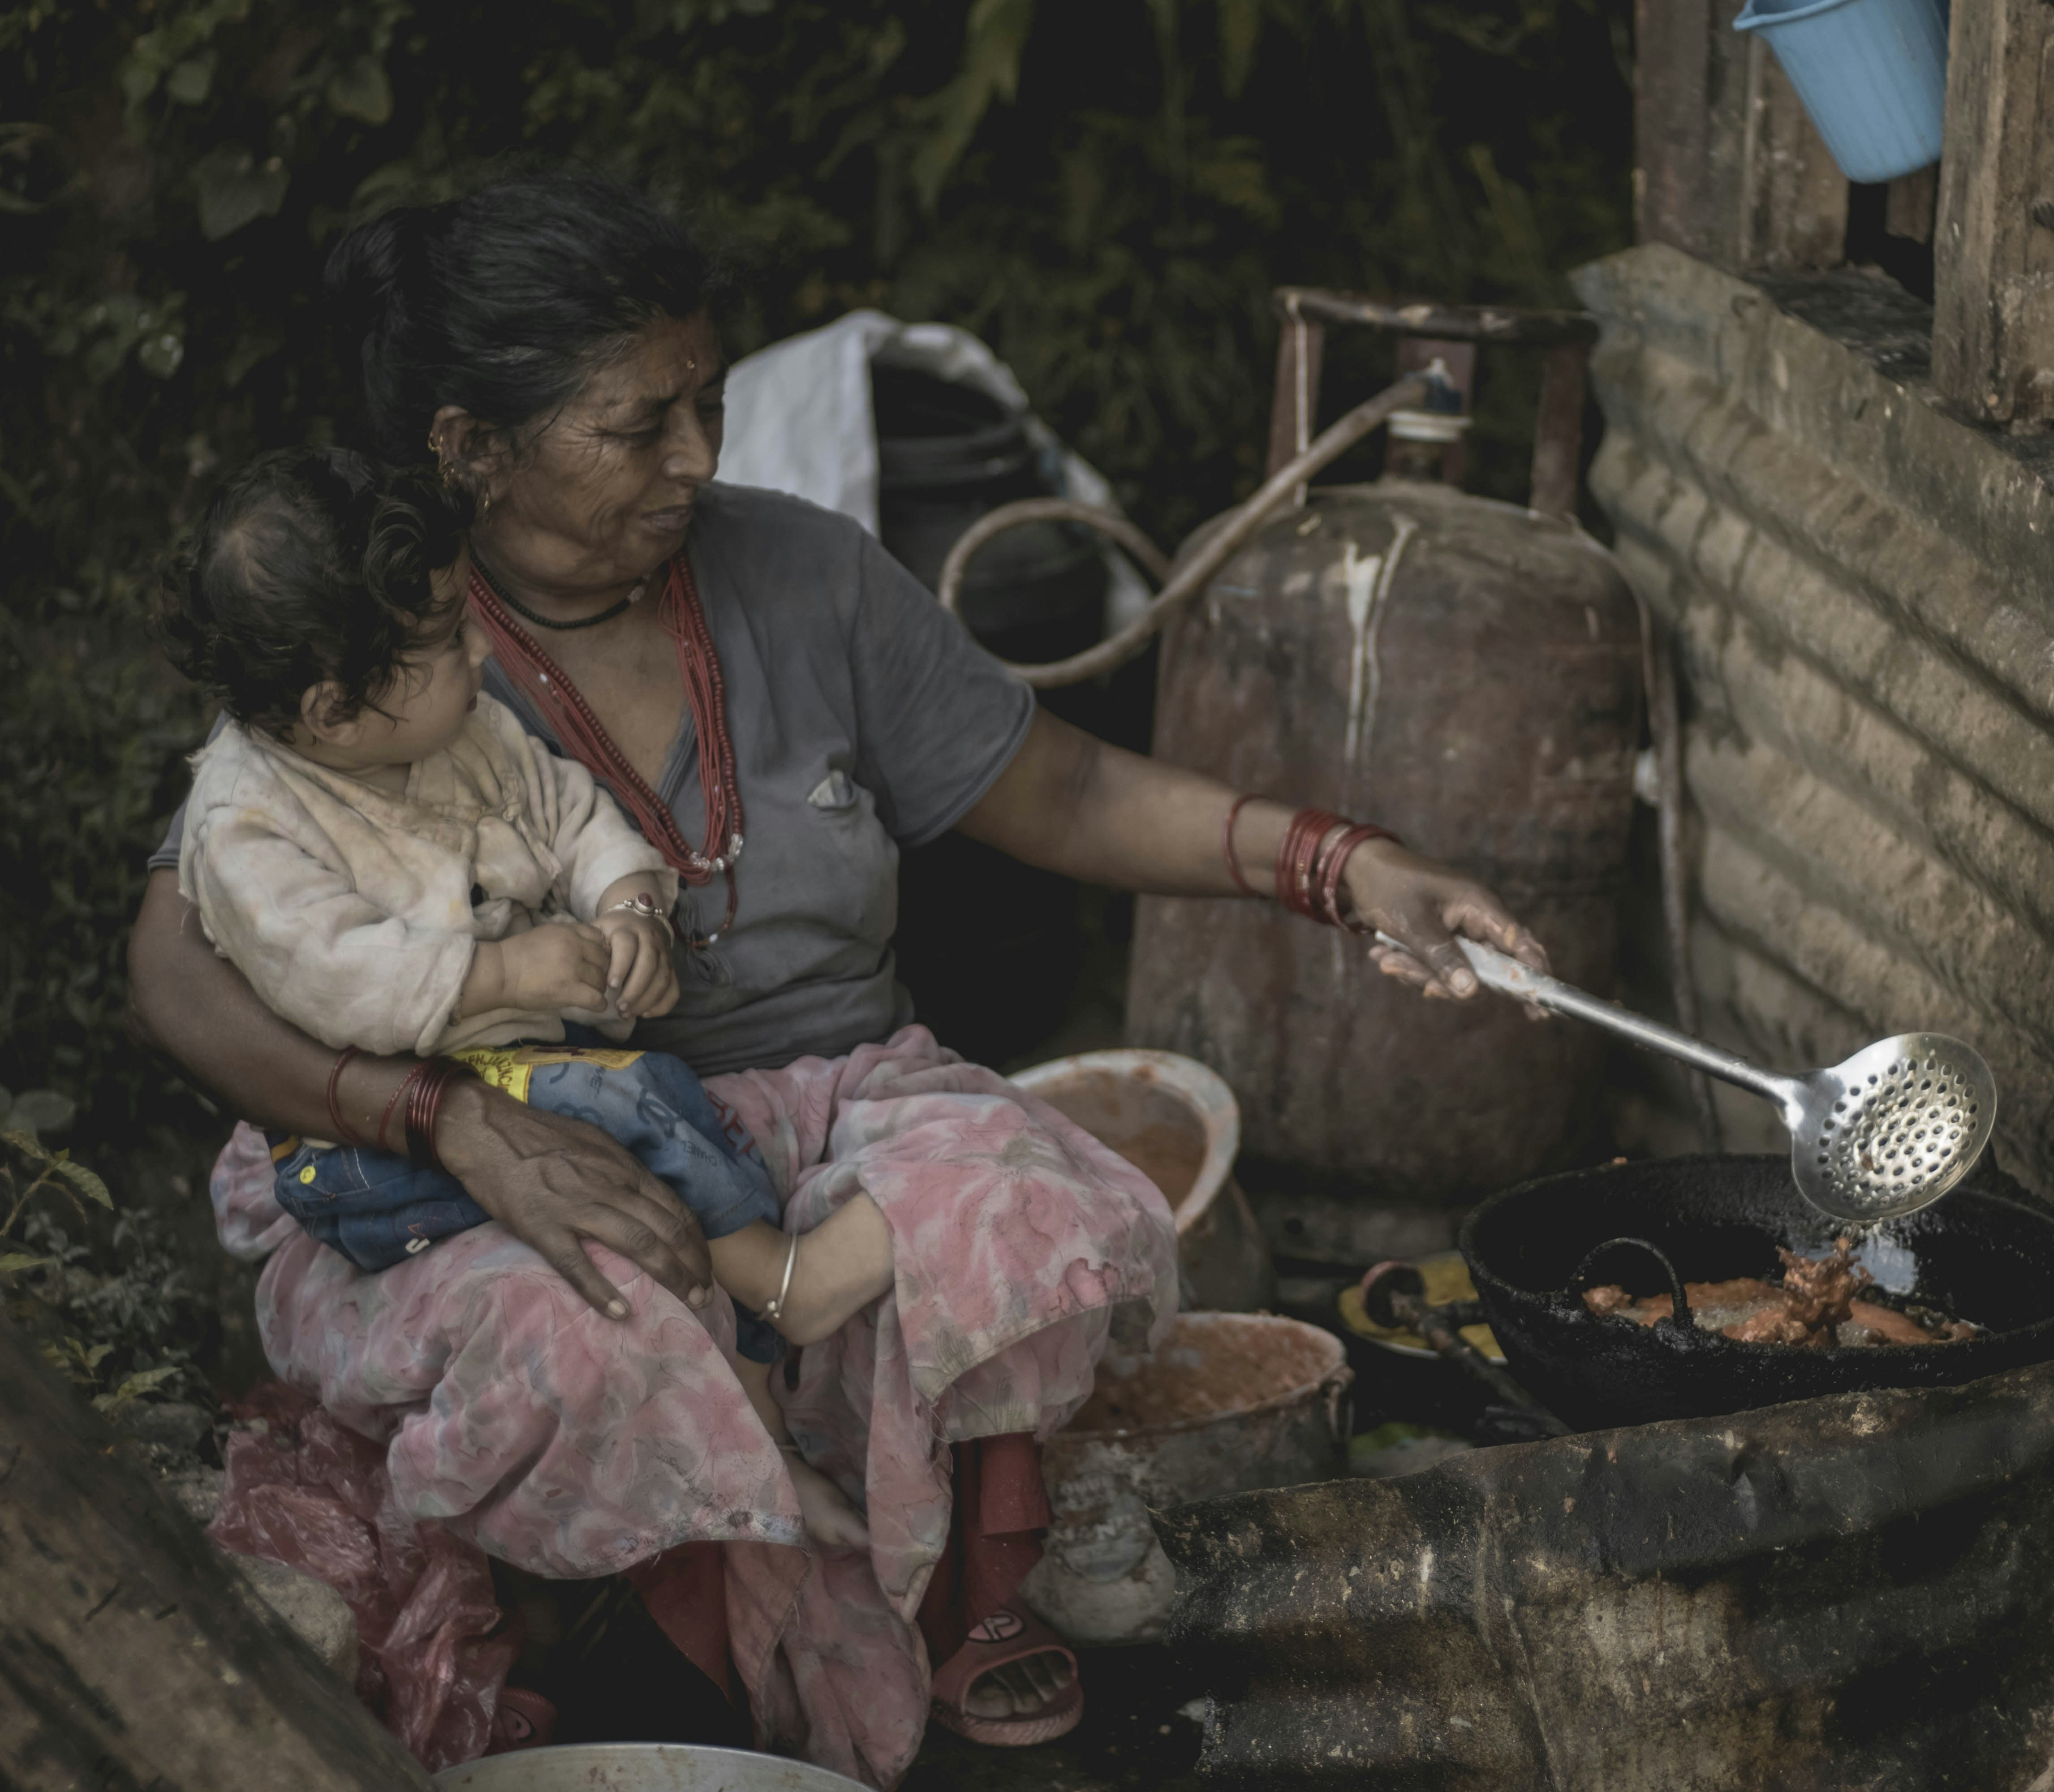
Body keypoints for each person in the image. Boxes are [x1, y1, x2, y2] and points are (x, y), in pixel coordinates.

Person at [127, 164, 1545, 1782]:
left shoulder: (803, 575)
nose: (697, 458)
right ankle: (619, 1650)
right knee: (578, 1329)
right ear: (470, 447)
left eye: (708, 404)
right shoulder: (379, 645)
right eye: (637, 424)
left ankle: (947, 1594)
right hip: (515, 1131)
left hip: (838, 1108)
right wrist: (439, 1121)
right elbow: (176, 967)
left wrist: (1344, 865)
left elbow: (1066, 790)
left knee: (1011, 1194)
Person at [159, 445, 895, 1544]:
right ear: (332, 708)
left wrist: (630, 902)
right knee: (631, 1106)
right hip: (369, 1140)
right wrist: (510, 971)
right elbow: (347, 979)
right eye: (450, 637)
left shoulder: (455, 726)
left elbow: (564, 806)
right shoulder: (247, 827)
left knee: (654, 1127)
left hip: (510, 1073)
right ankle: (787, 1281)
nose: (480, 645)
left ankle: (766, 1442)